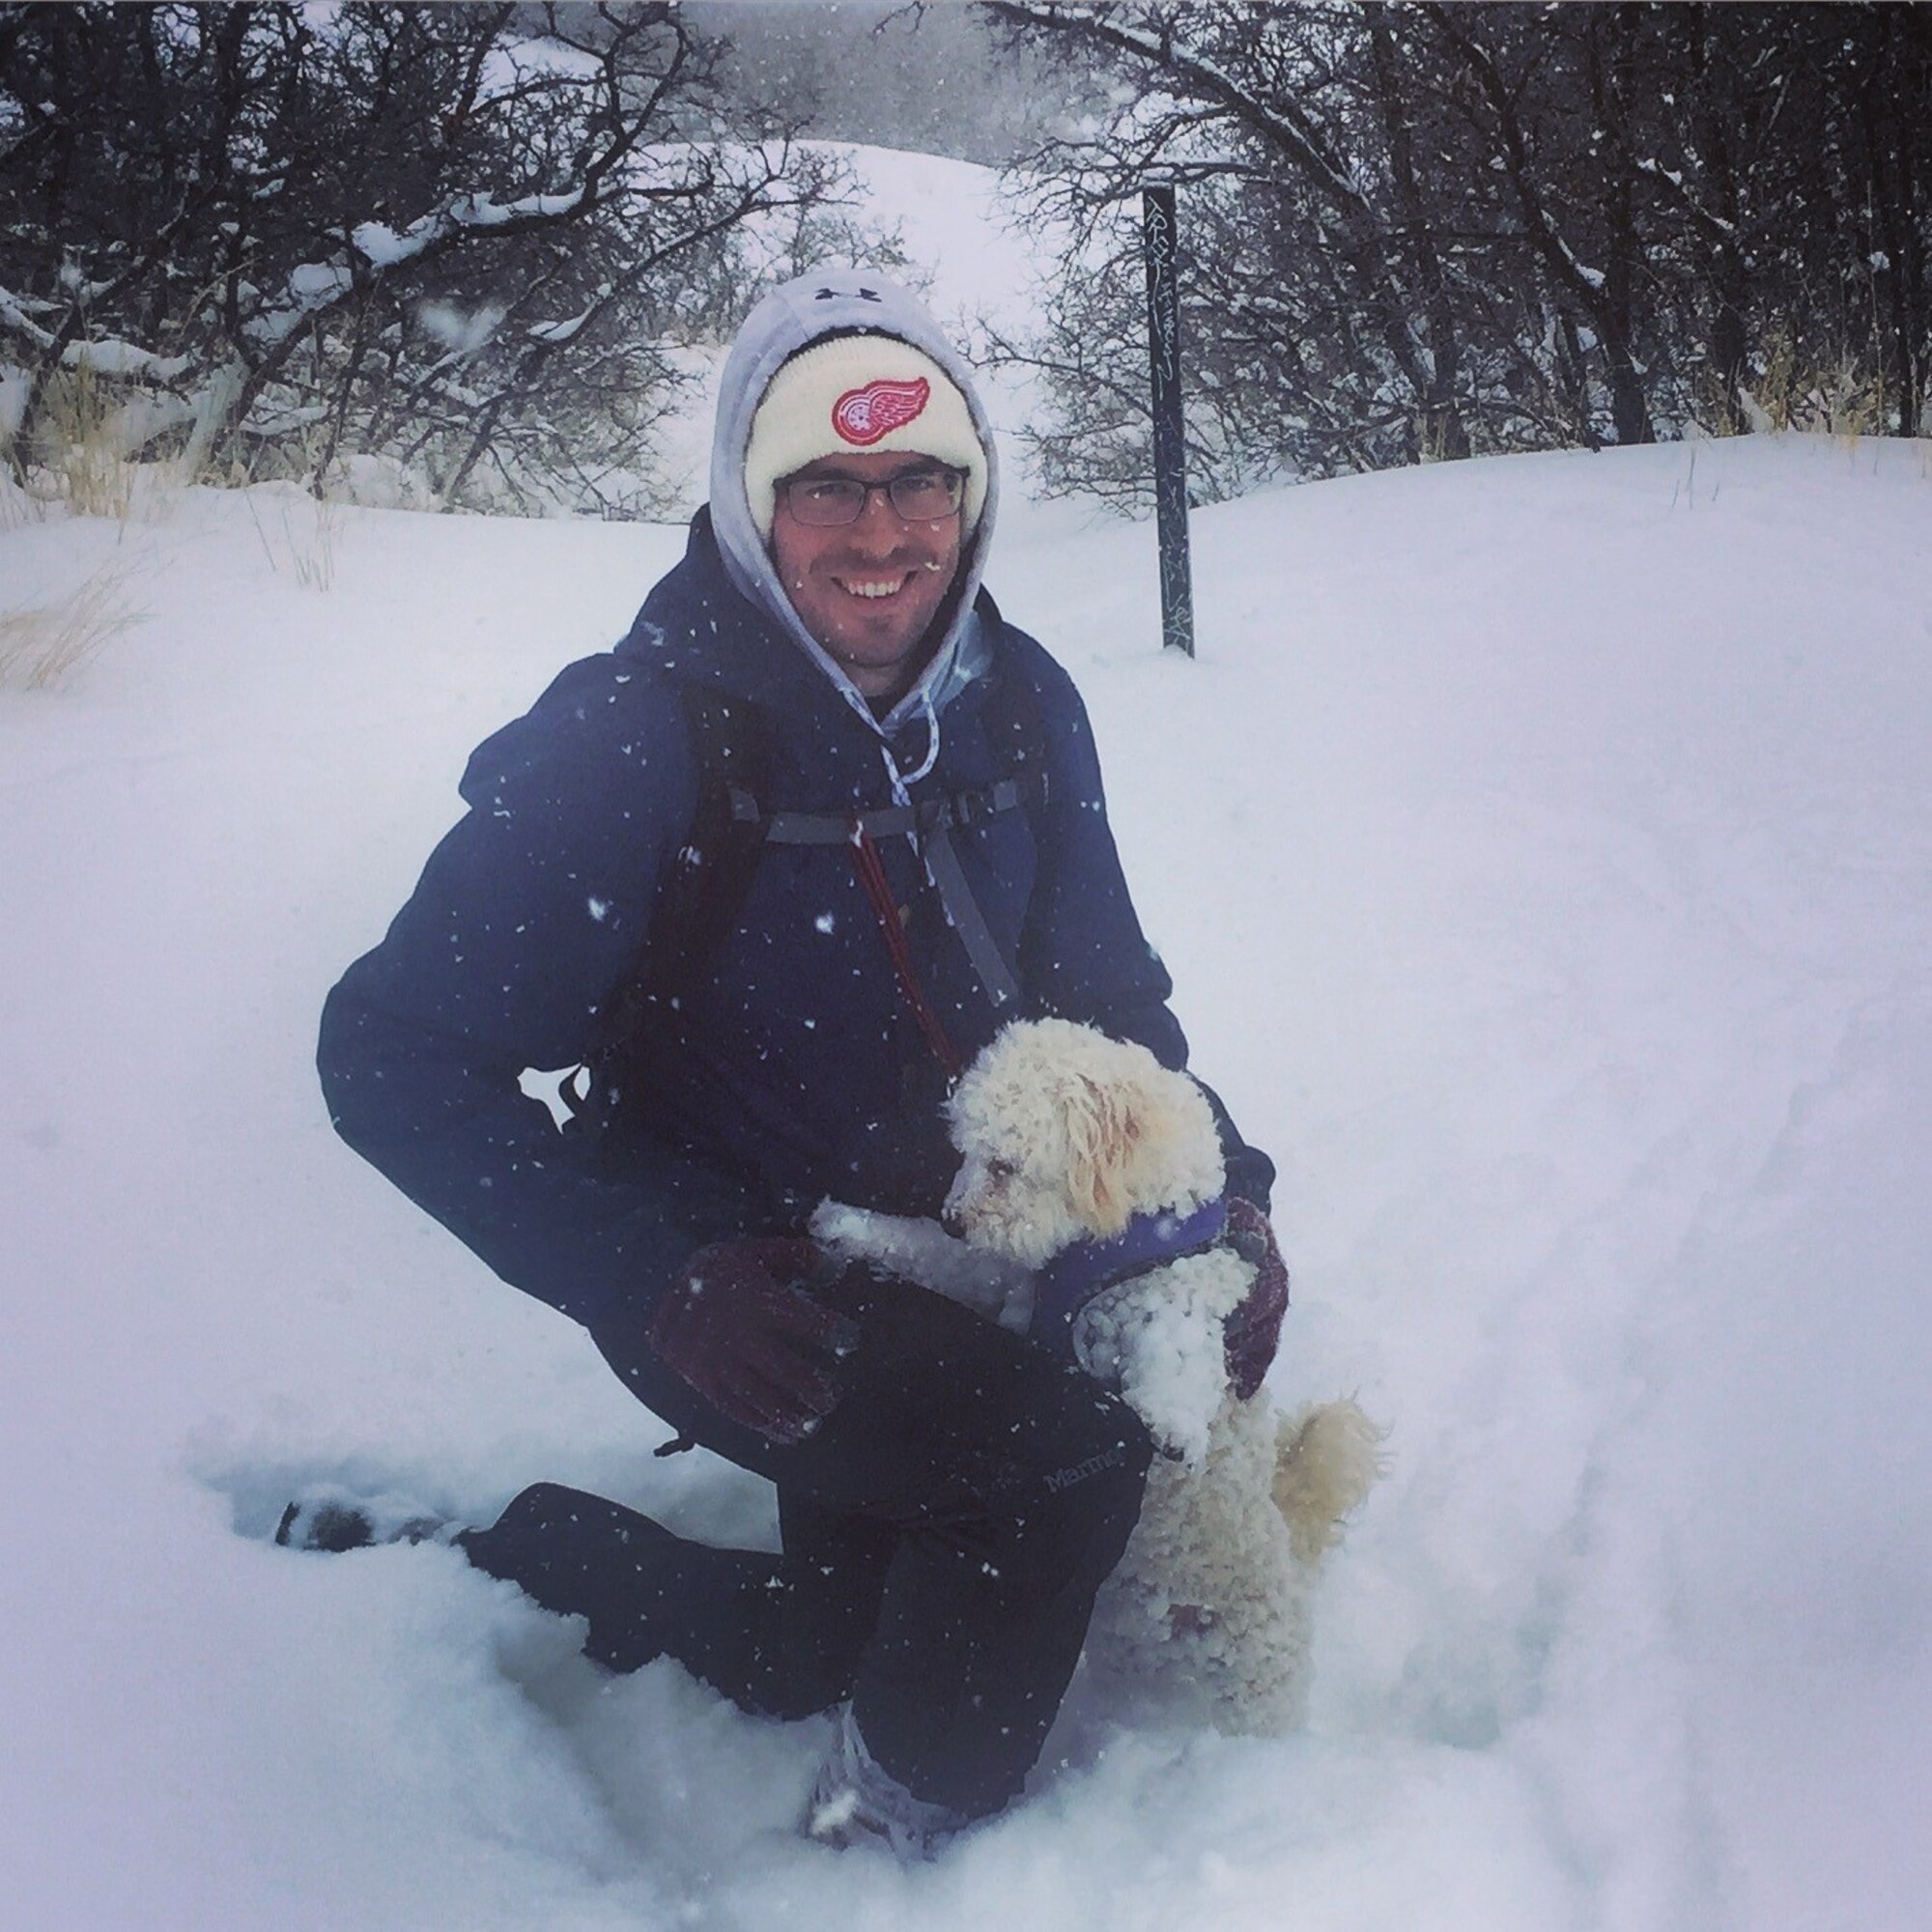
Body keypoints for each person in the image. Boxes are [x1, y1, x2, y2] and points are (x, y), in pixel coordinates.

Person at [310, 269, 1285, 1858]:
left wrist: (1225, 1203)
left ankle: (549, 1550)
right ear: (748, 500)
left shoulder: (1020, 702)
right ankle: (896, 1842)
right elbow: (387, 1051)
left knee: (816, 1649)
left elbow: (1112, 1009)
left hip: (963, 1250)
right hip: (745, 1284)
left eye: (924, 483)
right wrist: (653, 1279)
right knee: (1054, 1480)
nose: (886, 535)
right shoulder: (635, 740)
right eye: (827, 484)